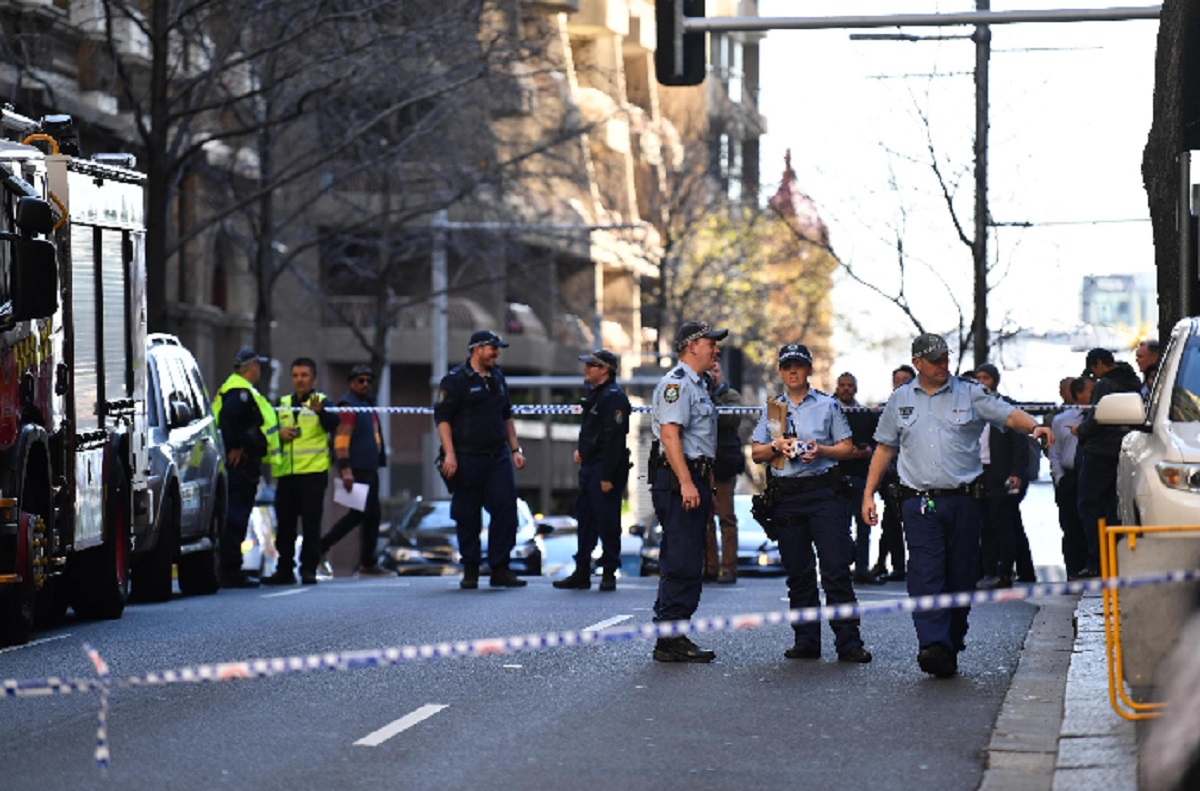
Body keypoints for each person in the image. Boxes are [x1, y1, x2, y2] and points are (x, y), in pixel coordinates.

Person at [862, 333, 1053, 678]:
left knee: (962, 575)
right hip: (918, 502)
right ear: (917, 362)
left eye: (945, 358)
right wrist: (868, 495)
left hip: (965, 501)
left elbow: (1008, 415)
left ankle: (950, 639)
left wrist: (1035, 427)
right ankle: (933, 644)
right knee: (926, 572)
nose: (942, 365)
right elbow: (884, 449)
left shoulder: (970, 392)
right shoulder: (900, 399)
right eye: (934, 360)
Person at [750, 344, 872, 663]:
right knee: (798, 573)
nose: (793, 371)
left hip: (824, 494)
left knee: (834, 570)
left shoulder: (828, 405)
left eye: (799, 366)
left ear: (808, 370)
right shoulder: (773, 408)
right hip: (787, 495)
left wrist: (820, 450)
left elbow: (846, 449)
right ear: (780, 371)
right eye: (787, 366)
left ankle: (849, 642)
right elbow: (757, 453)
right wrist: (777, 445)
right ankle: (806, 640)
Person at [648, 320, 727, 663]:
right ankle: (670, 637)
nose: (717, 348)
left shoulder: (699, 385)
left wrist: (702, 482)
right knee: (682, 558)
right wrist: (686, 482)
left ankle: (672, 630)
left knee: (685, 555)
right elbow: (670, 437)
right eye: (712, 342)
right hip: (679, 478)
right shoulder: (677, 385)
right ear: (692, 345)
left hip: (692, 477)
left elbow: (698, 442)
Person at [434, 330, 528, 590]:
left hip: (497, 455)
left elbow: (506, 415)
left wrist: (515, 449)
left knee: (506, 510)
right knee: (467, 514)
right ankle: (471, 569)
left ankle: (500, 568)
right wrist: (449, 453)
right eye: (492, 348)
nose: (496, 353)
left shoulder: (497, 377)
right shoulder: (454, 380)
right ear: (477, 349)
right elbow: (442, 419)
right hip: (466, 457)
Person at [554, 349, 631, 592]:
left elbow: (614, 439)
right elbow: (592, 432)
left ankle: (609, 572)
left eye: (591, 365)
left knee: (607, 520)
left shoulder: (614, 397)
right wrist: (583, 452)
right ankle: (582, 571)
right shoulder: (595, 394)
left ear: (604, 369)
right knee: (585, 520)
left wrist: (607, 475)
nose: (586, 369)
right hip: (590, 466)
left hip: (604, 469)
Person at [263, 358, 339, 586]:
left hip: (313, 473)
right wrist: (280, 433)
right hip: (287, 473)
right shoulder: (283, 403)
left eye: (304, 375)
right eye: (296, 375)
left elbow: (334, 423)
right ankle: (284, 569)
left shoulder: (322, 401)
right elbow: (269, 430)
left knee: (310, 524)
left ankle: (308, 570)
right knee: (285, 524)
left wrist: (321, 413)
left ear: (313, 378)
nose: (300, 380)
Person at [212, 347, 280, 588]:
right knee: (236, 517)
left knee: (236, 516)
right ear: (251, 367)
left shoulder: (237, 389)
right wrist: (236, 446)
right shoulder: (239, 392)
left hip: (243, 464)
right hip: (240, 466)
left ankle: (231, 568)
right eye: (258, 365)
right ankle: (229, 571)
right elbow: (229, 418)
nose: (259, 369)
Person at [318, 364, 390, 578]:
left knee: (370, 515)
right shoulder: (349, 407)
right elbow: (340, 441)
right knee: (359, 515)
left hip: (369, 468)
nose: (365, 384)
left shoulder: (367, 405)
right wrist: (346, 469)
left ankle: (368, 562)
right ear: (351, 383)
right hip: (356, 469)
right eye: (360, 380)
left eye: (368, 380)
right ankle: (323, 546)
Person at [1076, 348, 1142, 577]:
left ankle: (1097, 560)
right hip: (1124, 450)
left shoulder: (1105, 385)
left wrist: (1080, 431)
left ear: (1100, 364)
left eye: (1094, 372)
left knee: (1088, 505)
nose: (1094, 378)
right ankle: (1118, 558)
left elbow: (1095, 419)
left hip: (1100, 451)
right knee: (1115, 507)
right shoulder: (1134, 382)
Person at [972, 363, 1035, 590]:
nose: (981, 382)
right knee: (985, 524)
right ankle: (988, 571)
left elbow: (1020, 444)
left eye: (985, 378)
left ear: (995, 381)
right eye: (977, 378)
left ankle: (1005, 571)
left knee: (1003, 523)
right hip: (978, 473)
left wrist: (1017, 472)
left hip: (1002, 473)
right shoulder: (970, 408)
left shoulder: (1006, 407)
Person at [834, 372, 882, 586]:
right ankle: (840, 569)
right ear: (837, 388)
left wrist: (867, 450)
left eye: (849, 385)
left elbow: (878, 444)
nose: (845, 389)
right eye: (842, 385)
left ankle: (861, 568)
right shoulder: (830, 413)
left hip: (861, 477)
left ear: (855, 389)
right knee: (839, 528)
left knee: (864, 527)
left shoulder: (865, 414)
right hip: (837, 479)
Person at [870, 364, 916, 583]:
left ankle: (911, 565)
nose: (901, 383)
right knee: (890, 522)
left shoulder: (923, 407)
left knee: (914, 522)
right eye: (897, 379)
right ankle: (891, 564)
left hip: (916, 476)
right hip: (891, 476)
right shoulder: (883, 409)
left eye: (905, 379)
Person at [705, 358, 747, 585]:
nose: (712, 374)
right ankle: (709, 567)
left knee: (726, 518)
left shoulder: (731, 396)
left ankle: (729, 568)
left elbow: (730, 418)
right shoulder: (697, 393)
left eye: (716, 370)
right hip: (703, 464)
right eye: (708, 370)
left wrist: (711, 398)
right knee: (705, 519)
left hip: (723, 465)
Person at [1049, 376, 1092, 579]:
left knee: (1089, 524)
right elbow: (1054, 451)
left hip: (1091, 476)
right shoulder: (1062, 420)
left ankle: (1090, 565)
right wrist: (1059, 478)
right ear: (1078, 394)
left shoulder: (1097, 418)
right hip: (1070, 478)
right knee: (1070, 526)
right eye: (1089, 391)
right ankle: (1073, 570)